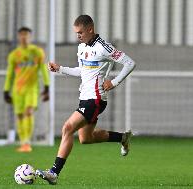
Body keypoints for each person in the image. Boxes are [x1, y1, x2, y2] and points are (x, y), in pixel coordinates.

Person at [36, 15, 136, 184]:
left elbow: (129, 63)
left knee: (67, 128)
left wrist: (114, 82)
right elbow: (82, 71)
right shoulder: (82, 47)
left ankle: (54, 173)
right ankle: (122, 138)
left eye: (80, 32)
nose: (78, 36)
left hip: (96, 99)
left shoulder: (104, 47)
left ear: (90, 29)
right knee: (85, 138)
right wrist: (60, 69)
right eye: (76, 33)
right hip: (85, 98)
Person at [3, 27, 50, 153]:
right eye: (22, 34)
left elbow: (43, 70)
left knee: (28, 112)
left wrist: (47, 86)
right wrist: (6, 90)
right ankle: (23, 141)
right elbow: (9, 74)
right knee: (19, 116)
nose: (24, 37)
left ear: (30, 37)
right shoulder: (14, 55)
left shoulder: (37, 52)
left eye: (26, 35)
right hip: (17, 90)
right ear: (19, 36)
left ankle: (27, 142)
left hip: (31, 89)